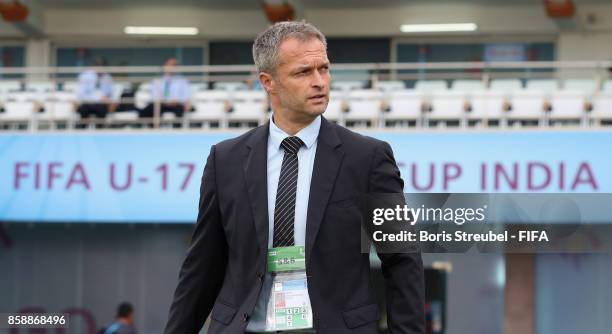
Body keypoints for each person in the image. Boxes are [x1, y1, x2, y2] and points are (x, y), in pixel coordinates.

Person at [164, 21, 424, 334]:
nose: (319, 82)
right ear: (268, 81)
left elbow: (402, 259)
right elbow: (203, 266)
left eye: (323, 69)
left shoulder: (367, 158)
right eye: (303, 72)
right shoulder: (225, 160)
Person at [76, 57, 114, 125]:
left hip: (101, 104)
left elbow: (110, 94)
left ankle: (100, 130)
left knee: (103, 110)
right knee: (83, 109)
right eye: (99, 66)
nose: (100, 69)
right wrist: (97, 98)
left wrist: (107, 98)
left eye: (102, 67)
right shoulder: (85, 76)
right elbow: (81, 94)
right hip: (87, 103)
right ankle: (82, 130)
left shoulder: (107, 77)